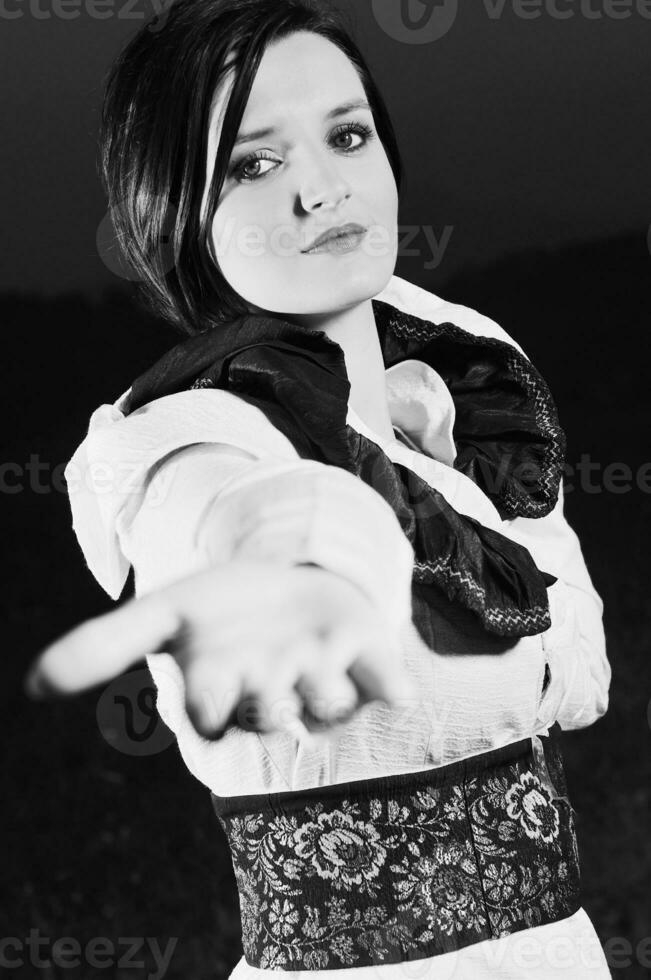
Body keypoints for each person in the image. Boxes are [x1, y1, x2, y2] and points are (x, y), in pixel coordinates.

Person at [25, 0, 613, 976]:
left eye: (345, 135)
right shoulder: (195, 438)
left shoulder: (468, 396)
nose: (320, 189)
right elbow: (216, 516)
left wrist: (441, 449)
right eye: (255, 163)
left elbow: (581, 681)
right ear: (177, 210)